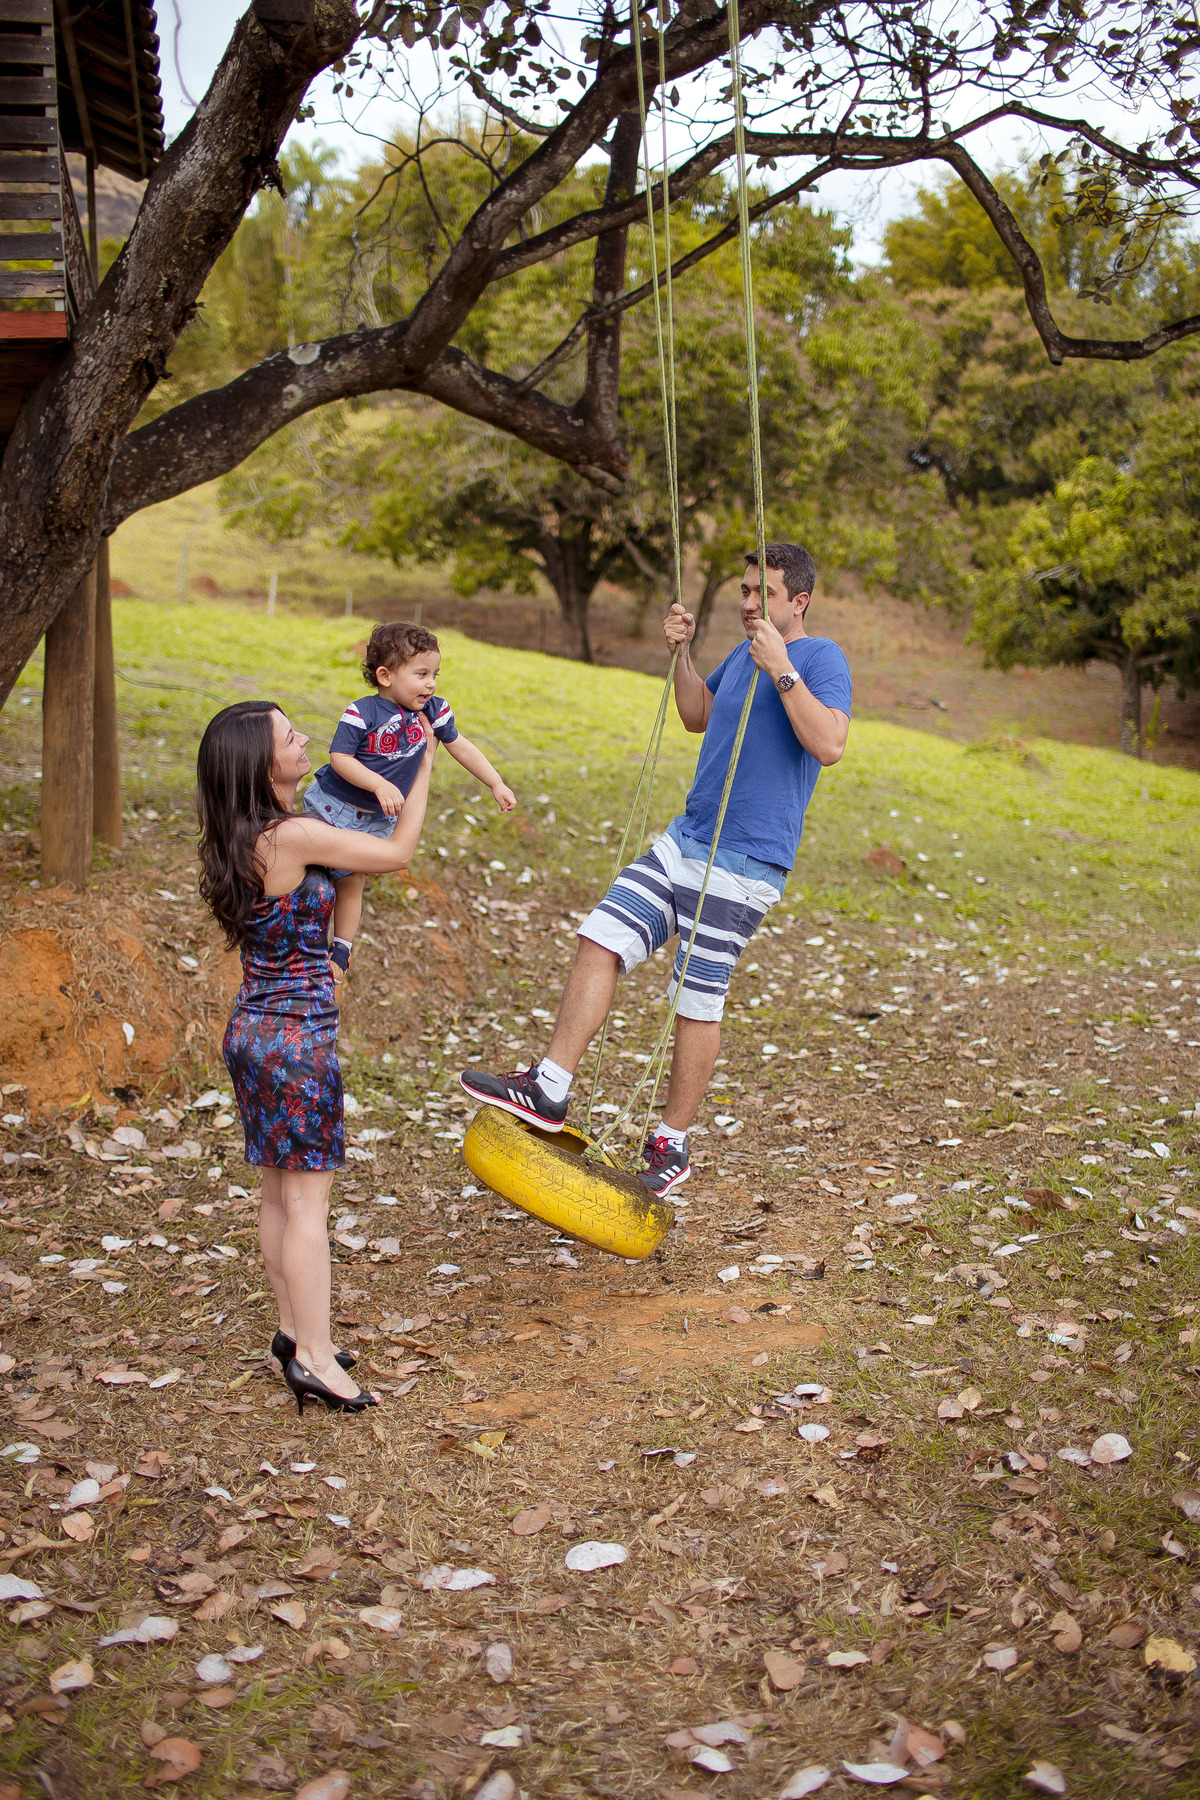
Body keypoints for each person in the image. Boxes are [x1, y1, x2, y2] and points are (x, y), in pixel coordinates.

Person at [460, 543, 851, 1197]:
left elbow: (831, 744)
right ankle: (550, 1087)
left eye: (764, 594)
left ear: (799, 601)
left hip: (744, 860)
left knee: (695, 1000)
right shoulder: (742, 654)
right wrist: (683, 654)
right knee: (601, 935)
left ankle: (671, 1144)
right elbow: (697, 715)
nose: (749, 603)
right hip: (685, 839)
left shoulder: (818, 657)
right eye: (744, 591)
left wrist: (783, 670)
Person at [196, 698, 438, 1415]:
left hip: (255, 1032)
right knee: (307, 1204)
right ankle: (316, 1358)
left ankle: (292, 1330)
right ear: (258, 763)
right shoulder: (294, 835)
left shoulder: (245, 835)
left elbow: (335, 888)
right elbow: (395, 855)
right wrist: (422, 764)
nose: (304, 739)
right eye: (288, 736)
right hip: (295, 1044)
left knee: (279, 1193)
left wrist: (339, 952)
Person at [304, 621, 515, 981]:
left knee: (352, 881)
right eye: (421, 674)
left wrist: (495, 782)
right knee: (313, 879)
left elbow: (461, 747)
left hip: (375, 819)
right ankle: (305, 943)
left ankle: (341, 950)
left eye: (435, 674)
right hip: (332, 807)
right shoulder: (362, 712)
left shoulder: (434, 712)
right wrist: (379, 784)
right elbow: (339, 757)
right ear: (385, 676)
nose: (431, 684)